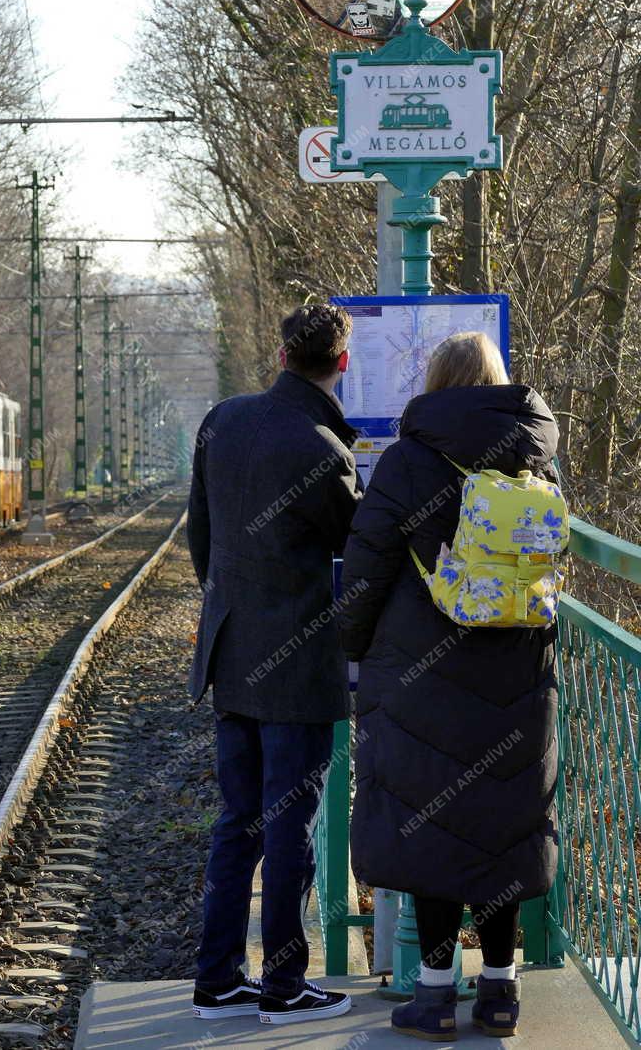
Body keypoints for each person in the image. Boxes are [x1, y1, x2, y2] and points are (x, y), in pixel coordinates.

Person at [338, 332, 561, 1041]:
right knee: (500, 826)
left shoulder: (408, 460)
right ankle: (500, 991)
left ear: (436, 382)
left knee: (430, 824)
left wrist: (350, 652)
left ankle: (434, 996)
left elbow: (368, 562)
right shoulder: (537, 459)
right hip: (518, 669)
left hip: (420, 670)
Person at [187, 302, 361, 1025]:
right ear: (341, 363)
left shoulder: (222, 421)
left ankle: (220, 978)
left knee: (240, 820)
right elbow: (361, 554)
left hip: (231, 652)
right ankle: (285, 986)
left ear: (282, 354)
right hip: (297, 666)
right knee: (291, 823)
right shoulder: (325, 449)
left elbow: (201, 540)